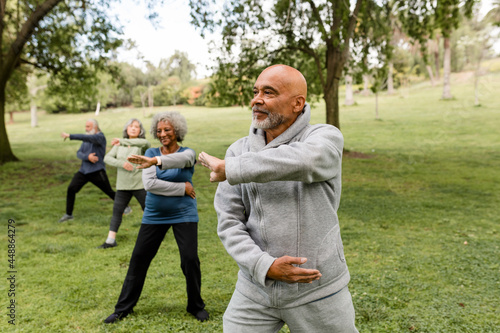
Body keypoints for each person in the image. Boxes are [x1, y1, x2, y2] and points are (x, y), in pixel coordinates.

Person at [198, 65, 358, 332]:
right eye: (256, 91)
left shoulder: (325, 137)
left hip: (318, 290)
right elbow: (229, 223)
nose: (256, 99)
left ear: (298, 103)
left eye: (268, 92)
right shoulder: (238, 150)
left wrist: (233, 168)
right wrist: (265, 266)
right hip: (255, 290)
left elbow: (307, 161)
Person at [104, 111, 209, 323]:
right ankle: (123, 308)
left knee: (190, 259)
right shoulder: (150, 151)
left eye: (167, 130)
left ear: (176, 131)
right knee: (139, 259)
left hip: (183, 214)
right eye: (159, 130)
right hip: (154, 215)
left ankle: (196, 306)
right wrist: (182, 187)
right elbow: (150, 185)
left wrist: (155, 161)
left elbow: (183, 160)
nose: (162, 134)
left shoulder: (187, 153)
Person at [98, 118, 151, 249]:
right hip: (123, 185)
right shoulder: (119, 146)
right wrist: (122, 164)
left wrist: (121, 141)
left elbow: (146, 143)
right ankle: (110, 240)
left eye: (136, 127)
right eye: (131, 126)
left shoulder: (141, 145)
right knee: (117, 212)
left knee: (149, 210)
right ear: (126, 129)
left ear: (140, 131)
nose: (133, 128)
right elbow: (107, 158)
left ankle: (153, 237)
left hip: (139, 185)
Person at [59, 119, 117, 223]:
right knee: (71, 189)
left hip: (97, 171)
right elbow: (79, 153)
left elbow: (86, 137)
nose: (86, 129)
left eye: (88, 127)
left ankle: (125, 207)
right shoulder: (86, 139)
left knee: (109, 191)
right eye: (85, 126)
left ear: (95, 127)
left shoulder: (100, 137)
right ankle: (68, 214)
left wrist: (70, 136)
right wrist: (87, 157)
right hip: (83, 171)